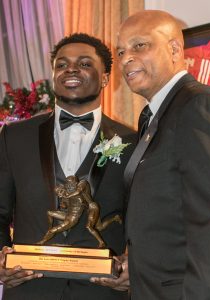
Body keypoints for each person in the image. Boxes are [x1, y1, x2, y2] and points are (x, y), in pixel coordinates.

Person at [106, 10, 210, 300]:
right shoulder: (153, 117)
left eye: (140, 46)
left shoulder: (198, 105)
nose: (125, 59)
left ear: (174, 49)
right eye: (121, 51)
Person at [0, 33, 136, 300]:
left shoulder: (133, 142)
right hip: (29, 290)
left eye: (84, 63)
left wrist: (136, 266)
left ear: (106, 77)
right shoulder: (13, 137)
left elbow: (144, 219)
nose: (71, 69)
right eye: (61, 64)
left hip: (102, 292)